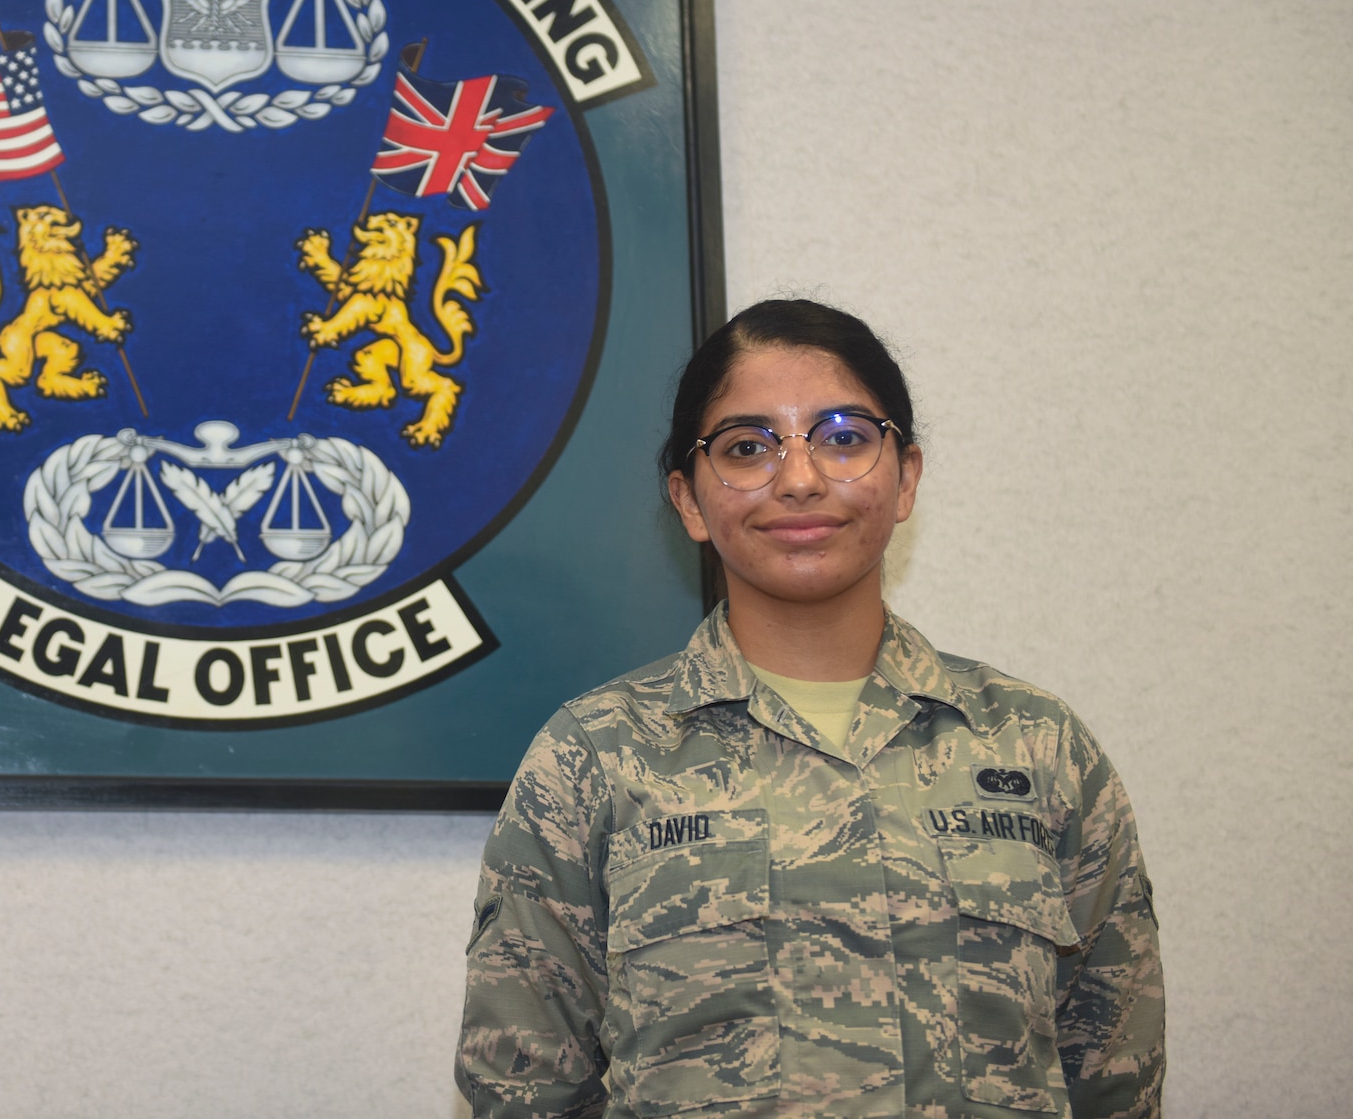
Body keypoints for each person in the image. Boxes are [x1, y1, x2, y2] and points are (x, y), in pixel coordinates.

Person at [456, 299, 1163, 1118]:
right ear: (688, 500)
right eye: (748, 447)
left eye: (844, 437)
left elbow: (1116, 1078)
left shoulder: (1040, 748)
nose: (799, 478)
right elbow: (523, 1091)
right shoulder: (594, 758)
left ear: (907, 476)